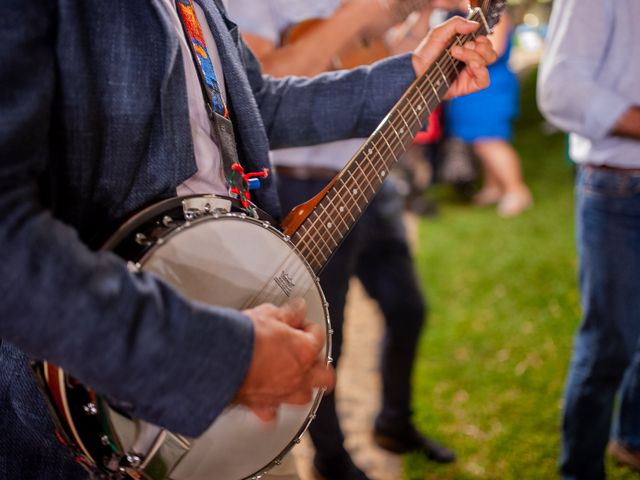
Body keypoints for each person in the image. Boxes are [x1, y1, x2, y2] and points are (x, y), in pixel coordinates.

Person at [0, 0, 495, 478]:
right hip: (87, 396)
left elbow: (256, 104)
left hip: (233, 321)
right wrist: (227, 359)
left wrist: (410, 75)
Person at [227, 1, 457, 479]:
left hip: (369, 171)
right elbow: (258, 93)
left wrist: (423, 24)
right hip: (297, 184)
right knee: (322, 336)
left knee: (407, 306)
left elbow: (373, 59)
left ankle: (395, 421)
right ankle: (332, 458)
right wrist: (356, 13)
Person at [537, 0, 640, 478]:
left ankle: (632, 438)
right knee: (609, 341)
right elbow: (560, 89)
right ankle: (579, 469)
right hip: (619, 186)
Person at [446, 4, 532, 217]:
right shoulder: (462, 14)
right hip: (475, 87)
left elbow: (495, 49)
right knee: (480, 140)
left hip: (490, 85)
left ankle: (516, 190)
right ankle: (494, 187)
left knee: (489, 140)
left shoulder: (496, 13)